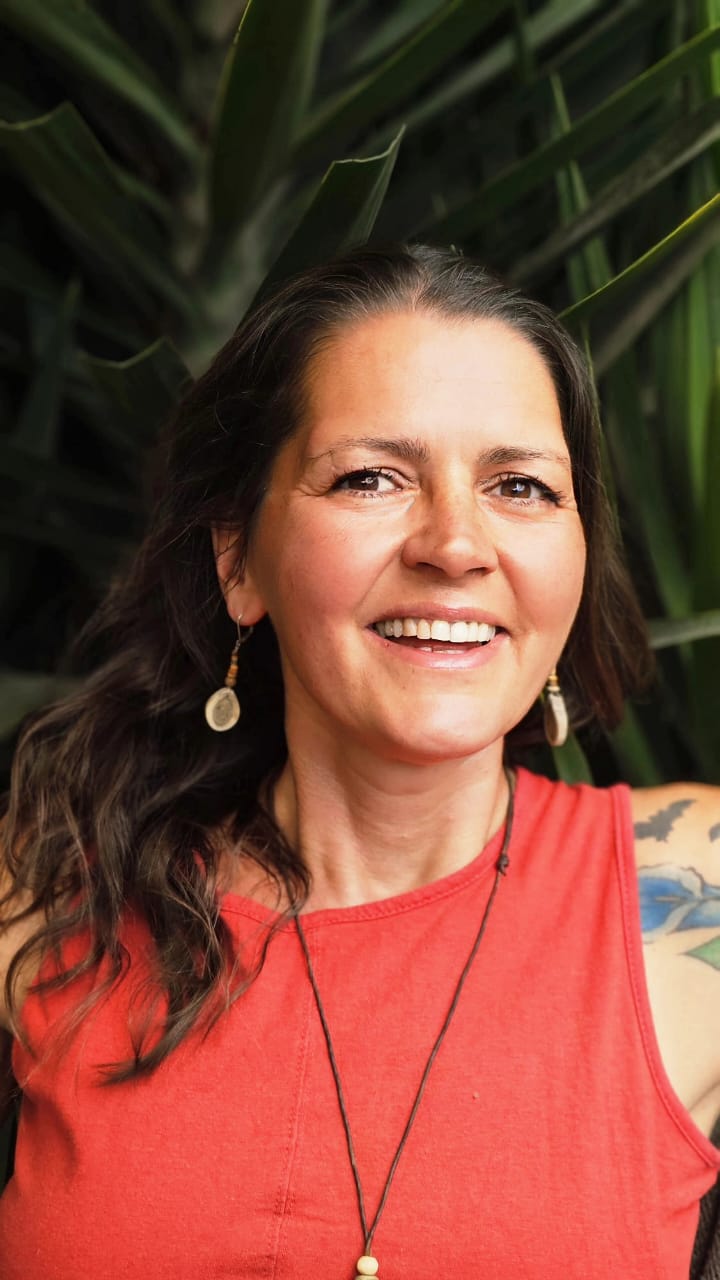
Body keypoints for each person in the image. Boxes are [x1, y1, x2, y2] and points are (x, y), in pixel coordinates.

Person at [0, 243, 718, 1279]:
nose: (456, 544)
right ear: (238, 560)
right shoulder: (50, 889)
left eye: (521, 484)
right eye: (371, 477)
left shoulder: (695, 885)